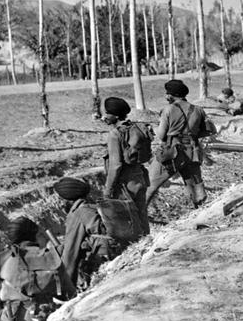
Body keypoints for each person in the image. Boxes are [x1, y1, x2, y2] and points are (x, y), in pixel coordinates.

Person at [55, 177, 140, 291]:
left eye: (61, 198)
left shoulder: (78, 213)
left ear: (68, 199)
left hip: (106, 255)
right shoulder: (93, 205)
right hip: (122, 246)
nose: (60, 203)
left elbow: (70, 251)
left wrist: (66, 285)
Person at [146, 80, 211, 208]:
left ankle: (139, 219)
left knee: (149, 186)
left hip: (171, 152)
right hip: (192, 152)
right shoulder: (198, 109)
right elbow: (210, 130)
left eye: (167, 93)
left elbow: (161, 135)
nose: (166, 96)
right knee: (195, 187)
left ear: (171, 95)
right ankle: (199, 214)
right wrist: (192, 135)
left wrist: (152, 129)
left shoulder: (168, 109)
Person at [102, 97, 150, 217]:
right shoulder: (136, 128)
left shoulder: (115, 134)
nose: (104, 116)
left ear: (117, 116)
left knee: (128, 221)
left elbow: (115, 166)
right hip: (140, 179)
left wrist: (108, 191)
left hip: (124, 185)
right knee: (142, 215)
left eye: (108, 113)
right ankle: (147, 236)